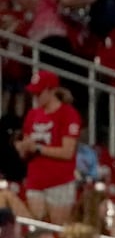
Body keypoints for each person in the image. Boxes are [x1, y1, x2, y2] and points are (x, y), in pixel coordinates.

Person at [15, 70, 80, 224]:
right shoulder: (32, 114)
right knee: (36, 228)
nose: (35, 97)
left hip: (60, 181)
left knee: (58, 229)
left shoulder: (68, 114)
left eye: (39, 93)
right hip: (35, 180)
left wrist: (37, 148)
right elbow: (26, 149)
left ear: (52, 91)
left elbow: (67, 152)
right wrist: (22, 148)